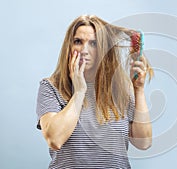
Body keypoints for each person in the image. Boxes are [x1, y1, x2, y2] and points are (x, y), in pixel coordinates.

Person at [36, 15, 153, 168]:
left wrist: (138, 89)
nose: (84, 50)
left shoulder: (121, 89)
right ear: (68, 47)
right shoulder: (51, 87)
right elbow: (55, 140)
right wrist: (79, 91)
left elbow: (143, 142)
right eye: (78, 41)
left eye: (93, 43)